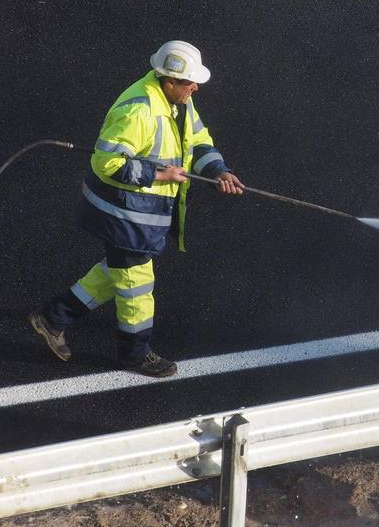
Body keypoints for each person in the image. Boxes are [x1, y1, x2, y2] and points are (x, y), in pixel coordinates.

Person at [30, 41, 244, 376]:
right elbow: (106, 163)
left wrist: (219, 171)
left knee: (117, 273)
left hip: (139, 213)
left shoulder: (180, 102)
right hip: (123, 215)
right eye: (189, 82)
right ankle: (135, 354)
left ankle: (53, 317)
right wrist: (160, 173)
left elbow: (199, 141)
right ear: (168, 80)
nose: (196, 87)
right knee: (137, 286)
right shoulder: (139, 111)